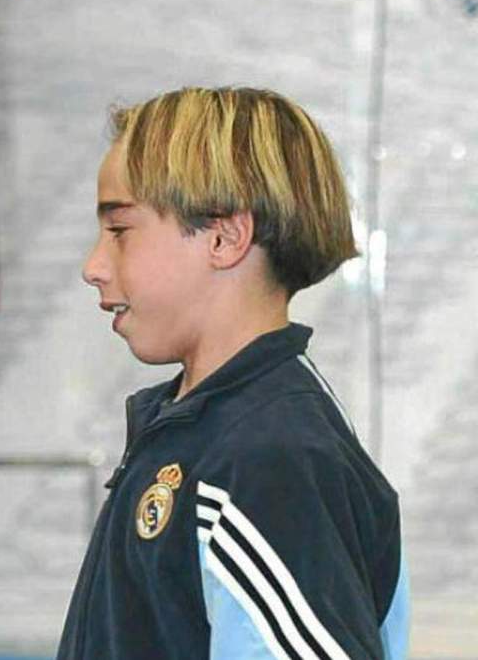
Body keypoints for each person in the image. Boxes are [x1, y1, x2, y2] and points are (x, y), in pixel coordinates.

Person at [57, 87, 408, 659]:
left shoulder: (269, 455)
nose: (93, 267)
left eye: (119, 231)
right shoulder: (205, 431)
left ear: (224, 237)